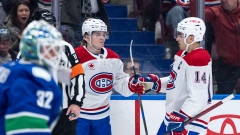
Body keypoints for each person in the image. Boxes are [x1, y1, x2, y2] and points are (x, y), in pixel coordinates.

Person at [133, 17, 213, 134]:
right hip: (174, 116)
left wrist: (182, 115)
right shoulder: (182, 54)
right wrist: (154, 83)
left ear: (191, 38)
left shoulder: (198, 59)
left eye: (181, 35)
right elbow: (175, 83)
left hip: (190, 122)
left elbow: (199, 96)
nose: (177, 38)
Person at [74, 18, 142, 135]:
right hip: (79, 116)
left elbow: (120, 83)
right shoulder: (75, 56)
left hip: (102, 117)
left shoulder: (113, 58)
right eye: (97, 34)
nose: (102, 38)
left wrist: (131, 85)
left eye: (104, 34)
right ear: (86, 36)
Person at [0, 20, 64, 135]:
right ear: (32, 48)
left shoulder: (10, 67)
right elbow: (25, 128)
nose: (54, 54)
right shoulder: (32, 77)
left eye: (55, 48)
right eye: (49, 48)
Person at [29, 9, 86, 135]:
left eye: (51, 25)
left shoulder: (65, 47)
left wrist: (76, 102)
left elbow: (77, 75)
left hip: (63, 113)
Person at [205, 0, 240, 94]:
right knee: (223, 96)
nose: (224, 0)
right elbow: (198, 17)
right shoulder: (216, 12)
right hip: (226, 64)